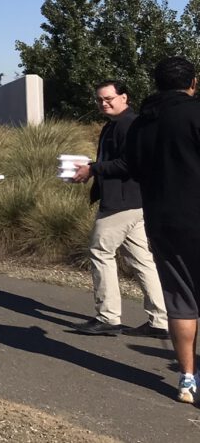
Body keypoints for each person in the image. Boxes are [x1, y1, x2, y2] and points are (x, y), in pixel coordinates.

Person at [125, 56, 200, 404]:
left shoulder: (143, 123)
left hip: (162, 222)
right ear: (193, 82)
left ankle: (187, 378)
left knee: (181, 301)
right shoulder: (195, 113)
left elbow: (134, 169)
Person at [68, 80, 168, 337]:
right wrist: (91, 167)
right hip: (135, 202)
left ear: (125, 97)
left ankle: (108, 317)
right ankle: (160, 320)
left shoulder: (128, 125)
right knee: (142, 260)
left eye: (109, 98)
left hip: (121, 202)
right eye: (100, 100)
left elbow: (129, 164)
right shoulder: (118, 125)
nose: (104, 103)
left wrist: (93, 168)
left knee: (100, 251)